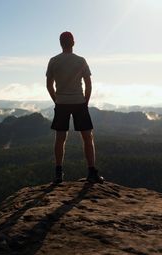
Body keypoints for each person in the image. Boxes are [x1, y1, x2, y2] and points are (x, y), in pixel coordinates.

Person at [46, 31, 104, 184]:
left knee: (60, 138)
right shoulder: (81, 60)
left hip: (61, 103)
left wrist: (57, 100)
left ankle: (58, 173)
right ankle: (92, 171)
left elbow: (49, 85)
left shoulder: (53, 61)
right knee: (87, 137)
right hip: (79, 102)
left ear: (60, 43)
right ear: (73, 42)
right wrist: (85, 101)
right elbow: (89, 84)